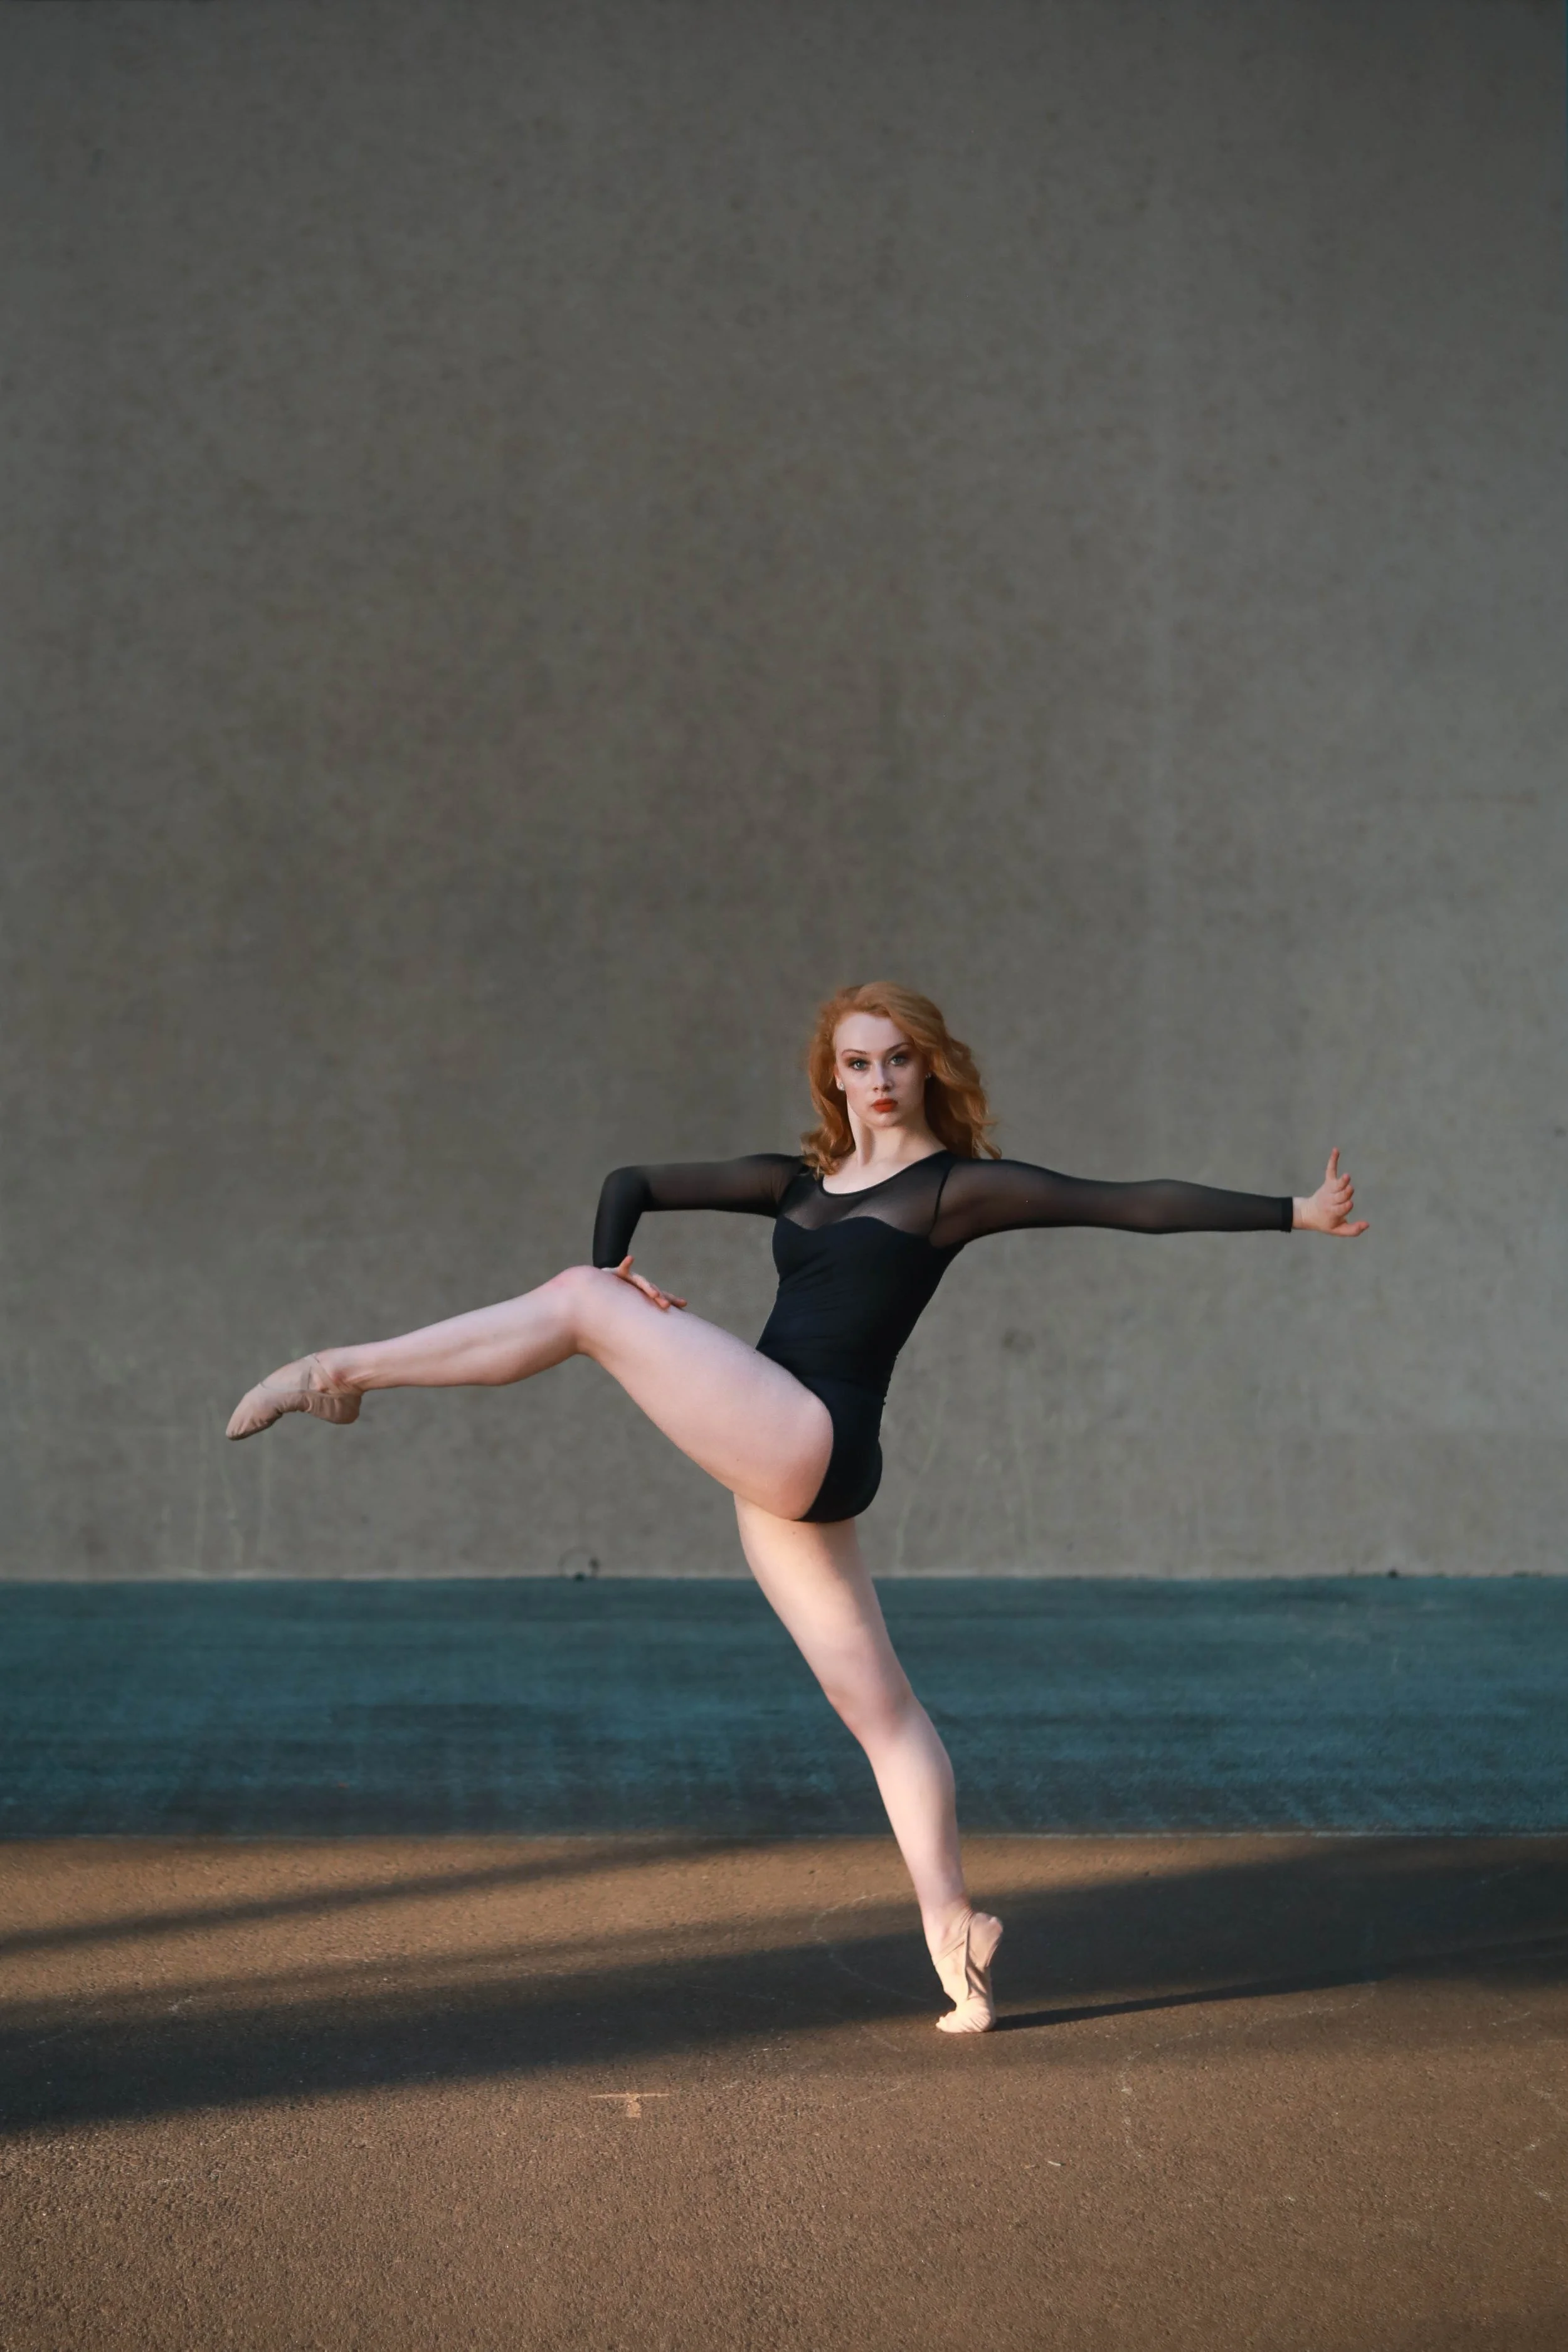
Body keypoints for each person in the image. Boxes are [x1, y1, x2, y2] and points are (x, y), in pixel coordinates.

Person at [227, 980, 1367, 2032]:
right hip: (778, 1467)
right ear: (834, 1076)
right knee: (882, 1712)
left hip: (814, 1434)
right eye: (855, 1062)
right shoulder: (797, 1183)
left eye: (897, 1060)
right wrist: (619, 1261)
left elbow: (1130, 1205)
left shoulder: (951, 1191)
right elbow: (632, 1180)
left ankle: (338, 1373)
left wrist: (1294, 1213)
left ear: (928, 1070)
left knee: (578, 1305)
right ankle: (955, 1939)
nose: (875, 1081)